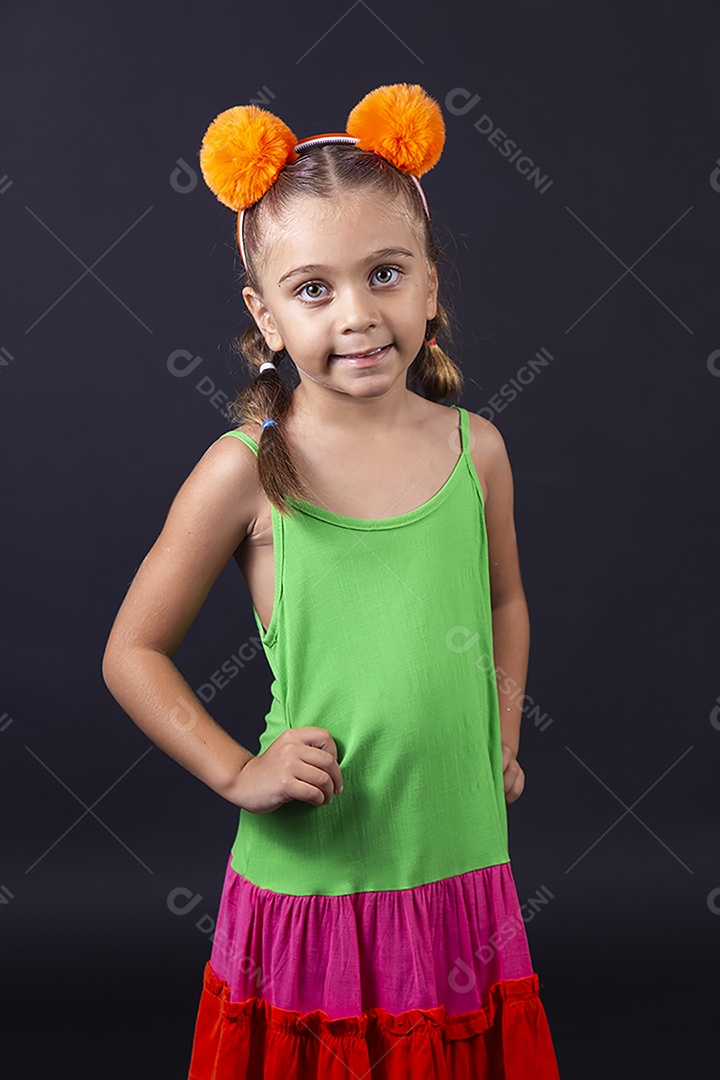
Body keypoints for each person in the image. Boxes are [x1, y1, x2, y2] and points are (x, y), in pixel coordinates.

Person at [102, 83, 561, 1078]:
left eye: (385, 273)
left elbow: (504, 603)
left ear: (430, 288)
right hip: (321, 872)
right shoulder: (246, 469)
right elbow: (132, 652)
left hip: (456, 857)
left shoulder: (477, 450)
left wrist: (505, 735)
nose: (358, 315)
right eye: (314, 289)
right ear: (266, 316)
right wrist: (237, 770)